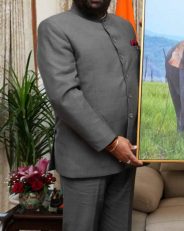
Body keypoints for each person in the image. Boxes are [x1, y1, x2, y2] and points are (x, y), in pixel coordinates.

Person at [37, 0, 143, 230]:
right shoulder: (54, 28)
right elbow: (64, 97)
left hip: (126, 160)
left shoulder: (126, 27)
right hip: (84, 161)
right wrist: (113, 143)